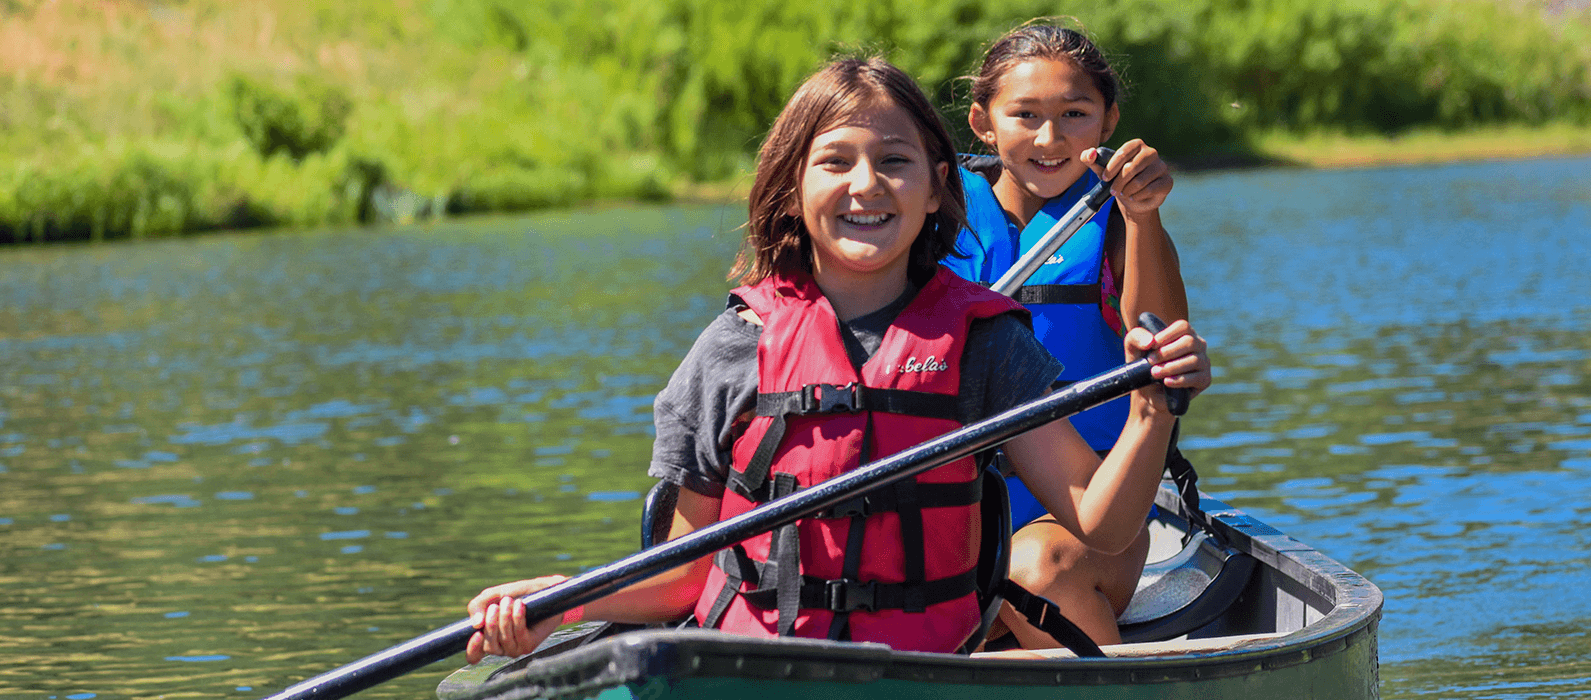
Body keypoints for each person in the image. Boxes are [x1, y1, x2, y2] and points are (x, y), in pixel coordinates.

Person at [462, 56, 1210, 664]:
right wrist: (563, 601)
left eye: (894, 161)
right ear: (792, 189)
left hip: (928, 672)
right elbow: (686, 574)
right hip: (763, 671)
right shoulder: (731, 350)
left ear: (934, 191)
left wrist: (1151, 405)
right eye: (836, 162)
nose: (865, 185)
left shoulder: (986, 345)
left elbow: (1105, 526)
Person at [941, 23, 1191, 650]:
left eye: (1074, 114)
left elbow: (1158, 341)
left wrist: (1143, 217)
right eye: (1024, 115)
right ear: (982, 122)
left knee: (1031, 571)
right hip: (951, 509)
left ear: (1108, 121)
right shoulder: (929, 217)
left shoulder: (1119, 220)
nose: (1049, 139)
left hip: (1099, 513)